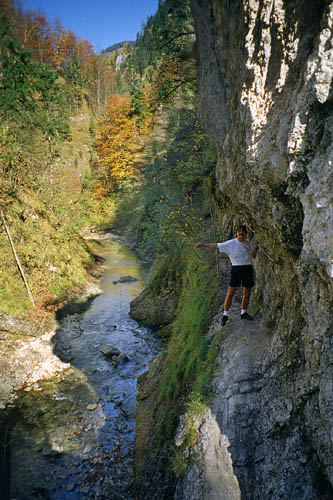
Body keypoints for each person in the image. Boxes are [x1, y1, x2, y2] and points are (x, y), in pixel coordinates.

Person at [196, 224, 259, 326]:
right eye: (239, 231)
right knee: (231, 292)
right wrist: (204, 245)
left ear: (245, 233)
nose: (240, 233)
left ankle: (243, 312)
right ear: (236, 233)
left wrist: (255, 248)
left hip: (247, 268)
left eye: (242, 231)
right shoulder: (230, 243)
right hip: (236, 268)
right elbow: (216, 245)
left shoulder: (248, 244)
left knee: (247, 291)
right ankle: (225, 315)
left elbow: (253, 256)